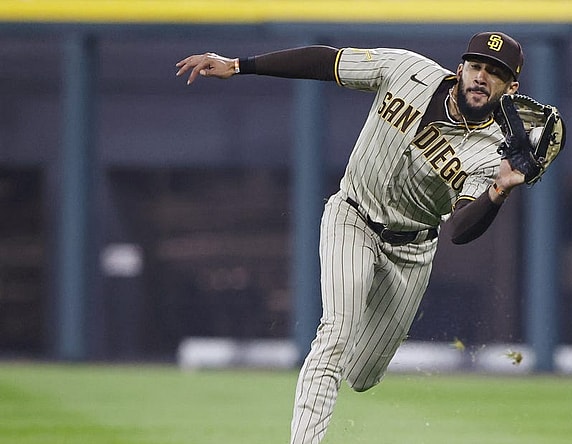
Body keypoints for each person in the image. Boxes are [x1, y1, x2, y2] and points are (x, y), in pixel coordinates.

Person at [177, 31, 529, 444]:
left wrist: (498, 191)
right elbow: (327, 62)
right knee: (335, 335)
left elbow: (460, 230)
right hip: (352, 217)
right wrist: (239, 65)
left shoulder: (493, 153)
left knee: (362, 375)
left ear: (511, 88)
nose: (481, 77)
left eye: (495, 73)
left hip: (412, 251)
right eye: (477, 66)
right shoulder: (406, 69)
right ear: (460, 67)